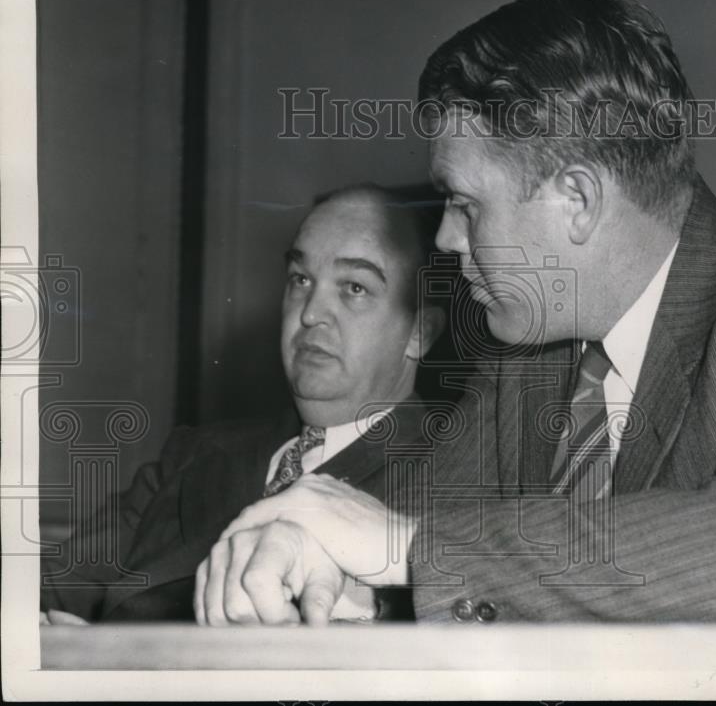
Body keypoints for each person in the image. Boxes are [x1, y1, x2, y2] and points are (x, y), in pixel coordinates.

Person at [197, 0, 716, 624]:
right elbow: (419, 519)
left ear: (576, 199)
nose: (443, 237)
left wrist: (404, 549)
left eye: (464, 204)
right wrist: (319, 559)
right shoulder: (530, 354)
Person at [41, 182, 446, 623]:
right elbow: (53, 588)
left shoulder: (455, 478)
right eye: (301, 279)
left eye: (354, 287)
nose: (310, 312)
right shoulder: (194, 454)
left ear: (420, 331)